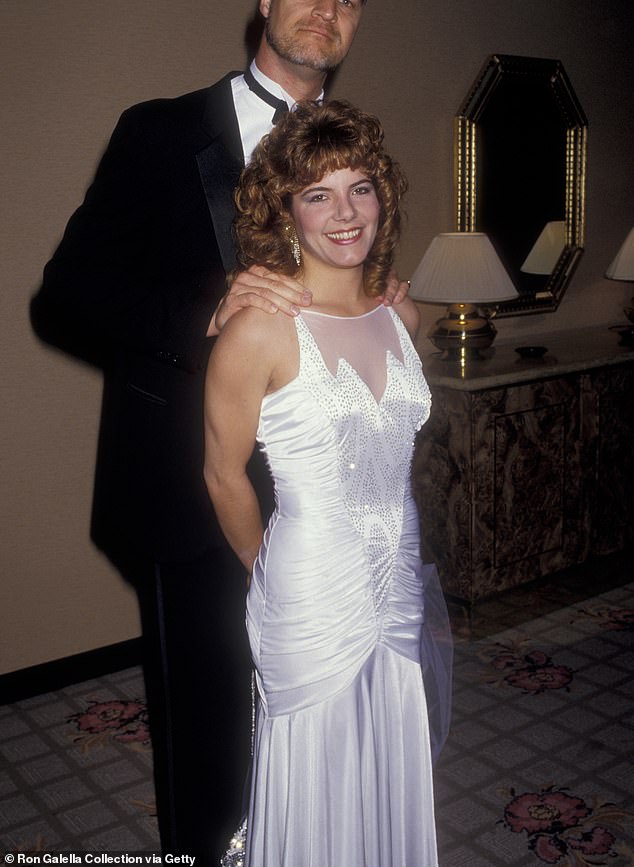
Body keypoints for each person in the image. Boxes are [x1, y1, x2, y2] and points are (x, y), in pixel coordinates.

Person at [30, 0, 411, 865]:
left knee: (320, 707)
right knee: (208, 724)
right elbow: (65, 291)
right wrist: (207, 309)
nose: (327, 10)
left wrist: (382, 299)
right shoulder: (160, 129)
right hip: (188, 484)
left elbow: (346, 276)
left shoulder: (352, 148)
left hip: (321, 491)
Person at [204, 100, 451, 866]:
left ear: (384, 196)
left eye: (361, 187)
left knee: (387, 744)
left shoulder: (400, 312)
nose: (345, 213)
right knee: (318, 760)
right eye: (318, 193)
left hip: (397, 573)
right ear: (287, 211)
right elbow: (221, 474)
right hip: (310, 585)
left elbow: (390, 425)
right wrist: (268, 571)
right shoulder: (261, 327)